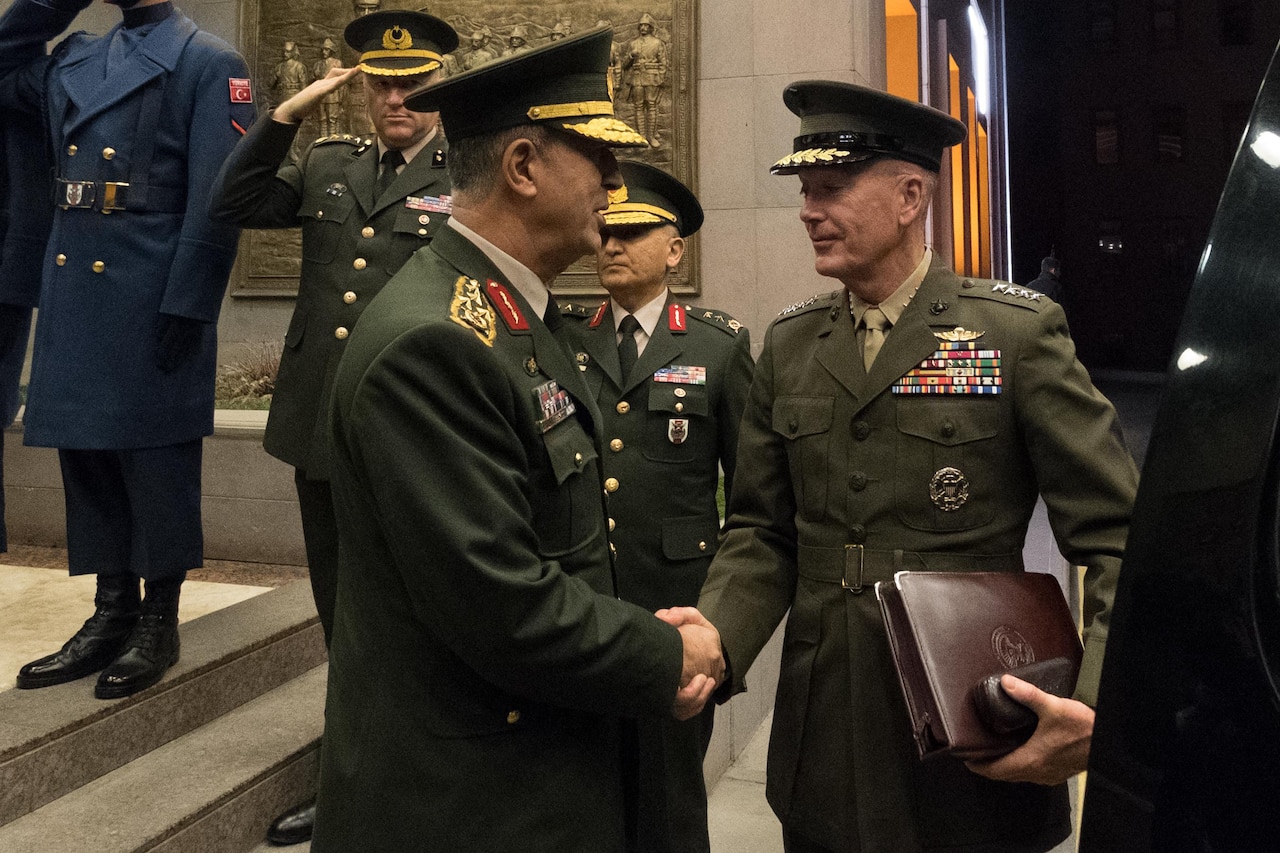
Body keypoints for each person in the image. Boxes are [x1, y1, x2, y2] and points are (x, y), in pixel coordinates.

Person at [696, 80, 1140, 853]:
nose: (807, 209)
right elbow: (763, 532)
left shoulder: (1013, 334)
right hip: (825, 731)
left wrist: (1097, 703)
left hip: (972, 724)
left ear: (909, 196)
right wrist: (715, 641)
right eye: (804, 190)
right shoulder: (791, 345)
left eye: (830, 188)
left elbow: (1116, 538)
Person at [310, 28, 723, 851]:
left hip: (532, 764)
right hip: (468, 801)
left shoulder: (509, 312)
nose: (614, 180)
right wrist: (665, 655)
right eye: (594, 156)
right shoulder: (434, 341)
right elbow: (501, 601)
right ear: (524, 166)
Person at [209, 9, 457, 845]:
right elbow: (233, 200)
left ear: (439, 89)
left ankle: (414, 769)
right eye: (383, 85)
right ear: (360, 92)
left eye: (414, 86)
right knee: (339, 607)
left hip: (413, 427)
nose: (397, 100)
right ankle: (348, 772)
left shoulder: (471, 178)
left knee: (413, 611)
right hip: (321, 425)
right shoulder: (327, 162)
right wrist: (286, 116)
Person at [0, 0, 256, 699]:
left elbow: (218, 194)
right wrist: (50, 3)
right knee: (86, 453)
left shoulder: (208, 61)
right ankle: (110, 610)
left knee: (155, 457)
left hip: (150, 288)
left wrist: (192, 299)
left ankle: (158, 619)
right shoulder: (73, 59)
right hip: (74, 278)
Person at [561, 160, 754, 853]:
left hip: (675, 604)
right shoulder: (565, 340)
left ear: (675, 249)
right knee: (586, 788)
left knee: (671, 800)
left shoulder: (717, 345)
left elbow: (753, 501)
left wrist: (722, 622)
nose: (612, 244)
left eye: (634, 231)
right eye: (607, 230)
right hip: (586, 608)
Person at [622, 13, 668, 148]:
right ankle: (641, 136)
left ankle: (651, 136)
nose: (643, 27)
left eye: (646, 25)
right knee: (638, 107)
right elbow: (624, 65)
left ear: (650, 27)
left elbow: (663, 63)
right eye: (641, 25)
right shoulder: (633, 44)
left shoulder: (657, 43)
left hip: (652, 78)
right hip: (637, 78)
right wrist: (631, 55)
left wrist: (660, 78)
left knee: (652, 106)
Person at [312, 38, 344, 137]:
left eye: (326, 49)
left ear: (331, 51)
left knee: (332, 119)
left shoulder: (337, 63)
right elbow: (314, 80)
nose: (324, 52)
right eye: (323, 49)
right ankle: (323, 142)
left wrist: (341, 98)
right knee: (322, 120)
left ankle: (333, 143)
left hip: (333, 96)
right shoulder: (317, 64)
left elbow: (341, 82)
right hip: (321, 95)